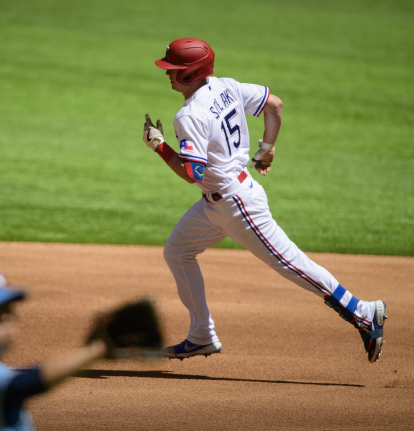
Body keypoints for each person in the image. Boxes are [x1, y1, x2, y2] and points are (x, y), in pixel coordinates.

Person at [142, 38, 387, 363]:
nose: (168, 74)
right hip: (219, 202)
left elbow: (192, 173)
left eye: (174, 69)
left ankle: (363, 312)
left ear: (190, 74)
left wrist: (158, 145)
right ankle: (201, 334)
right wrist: (266, 148)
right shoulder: (226, 86)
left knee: (290, 263)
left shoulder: (189, 115)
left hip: (236, 203)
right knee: (178, 251)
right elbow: (275, 104)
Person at [0, 270, 161, 430]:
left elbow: (8, 379)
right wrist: (96, 349)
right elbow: (20, 386)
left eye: (7, 308)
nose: (5, 316)